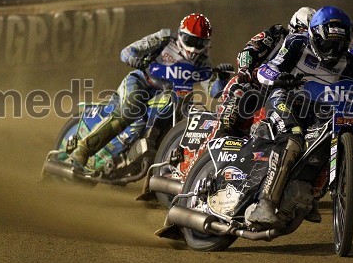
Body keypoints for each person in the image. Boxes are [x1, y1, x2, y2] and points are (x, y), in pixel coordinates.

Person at [247, 6, 353, 229]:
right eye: (327, 44)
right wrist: (280, 78)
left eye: (339, 45)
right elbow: (267, 69)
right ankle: (264, 204)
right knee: (293, 139)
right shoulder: (296, 43)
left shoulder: (350, 61)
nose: (333, 51)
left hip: (320, 109)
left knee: (325, 139)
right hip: (285, 99)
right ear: (314, 36)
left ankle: (309, 193)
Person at [68, 13, 233, 175]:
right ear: (181, 34)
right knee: (130, 109)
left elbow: (214, 91)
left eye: (200, 43)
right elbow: (127, 52)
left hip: (175, 99)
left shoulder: (203, 62)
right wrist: (134, 59)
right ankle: (83, 150)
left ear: (207, 43)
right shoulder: (164, 39)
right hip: (143, 83)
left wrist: (223, 77)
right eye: (191, 40)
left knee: (191, 124)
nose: (194, 48)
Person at [218, 7, 316, 135]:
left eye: (309, 33)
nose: (305, 36)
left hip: (286, 95)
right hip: (257, 87)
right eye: (303, 30)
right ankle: (222, 131)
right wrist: (245, 69)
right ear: (294, 26)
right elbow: (248, 51)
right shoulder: (276, 34)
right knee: (237, 99)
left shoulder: (315, 52)